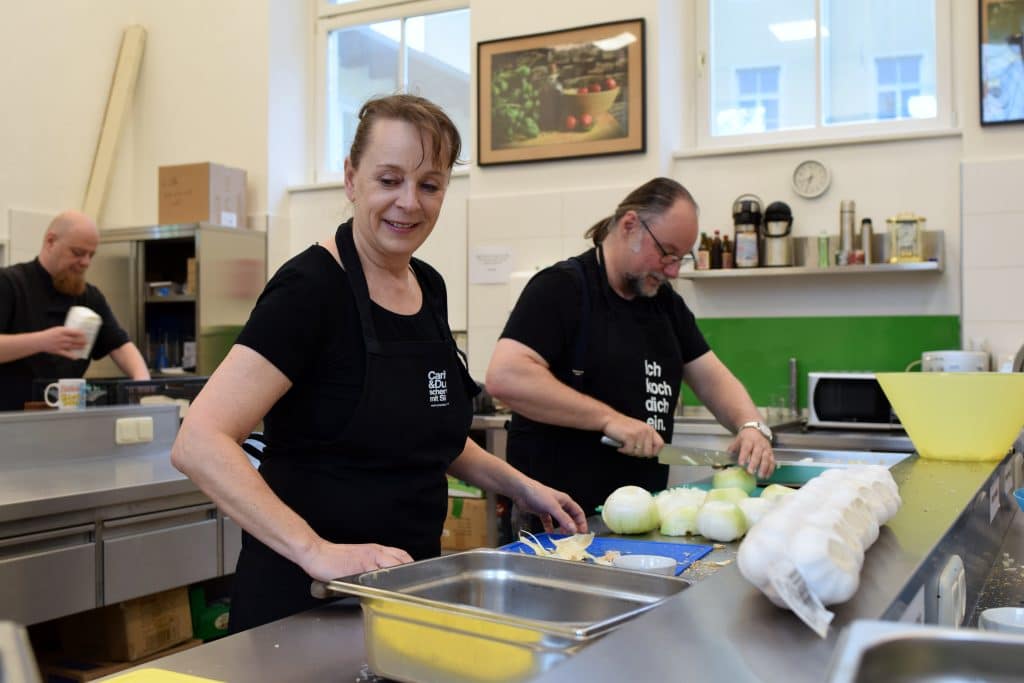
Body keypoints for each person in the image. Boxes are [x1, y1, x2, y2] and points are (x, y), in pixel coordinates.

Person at [170, 94, 587, 633]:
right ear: (351, 178)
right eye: (389, 180)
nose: (409, 203)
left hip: (405, 591)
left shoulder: (427, 285)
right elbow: (199, 441)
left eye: (429, 185)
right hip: (307, 601)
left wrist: (520, 486)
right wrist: (316, 550)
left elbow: (423, 433)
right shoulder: (311, 290)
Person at [486, 178, 776, 518]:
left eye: (679, 259)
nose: (671, 270)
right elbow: (506, 376)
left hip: (640, 519)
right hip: (560, 521)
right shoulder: (562, 288)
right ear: (630, 225)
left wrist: (751, 426)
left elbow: (712, 378)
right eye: (666, 253)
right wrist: (610, 420)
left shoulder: (665, 304)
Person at [0, 210, 150, 410]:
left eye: (91, 255)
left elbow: (120, 346)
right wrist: (43, 341)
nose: (86, 262)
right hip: (10, 420)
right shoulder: (10, 284)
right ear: (50, 242)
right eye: (78, 253)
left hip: (66, 417)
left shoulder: (89, 297)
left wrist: (142, 382)